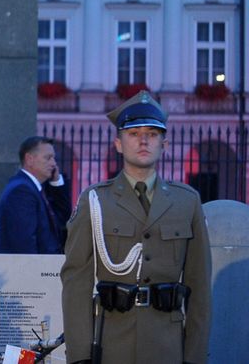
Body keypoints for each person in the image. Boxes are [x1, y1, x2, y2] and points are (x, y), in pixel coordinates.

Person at [60, 92, 211, 364]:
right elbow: (76, 283)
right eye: (133, 133)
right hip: (112, 342)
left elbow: (198, 286)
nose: (143, 140)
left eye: (152, 134)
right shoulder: (95, 200)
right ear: (118, 143)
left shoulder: (187, 201)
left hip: (168, 345)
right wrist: (80, 356)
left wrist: (194, 356)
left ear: (164, 144)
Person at [0, 136, 62, 254]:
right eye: (48, 158)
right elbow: (24, 242)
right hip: (31, 269)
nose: (54, 164)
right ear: (29, 159)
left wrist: (56, 182)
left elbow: (62, 218)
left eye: (54, 158)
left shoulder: (34, 187)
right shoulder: (21, 191)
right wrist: (35, 271)